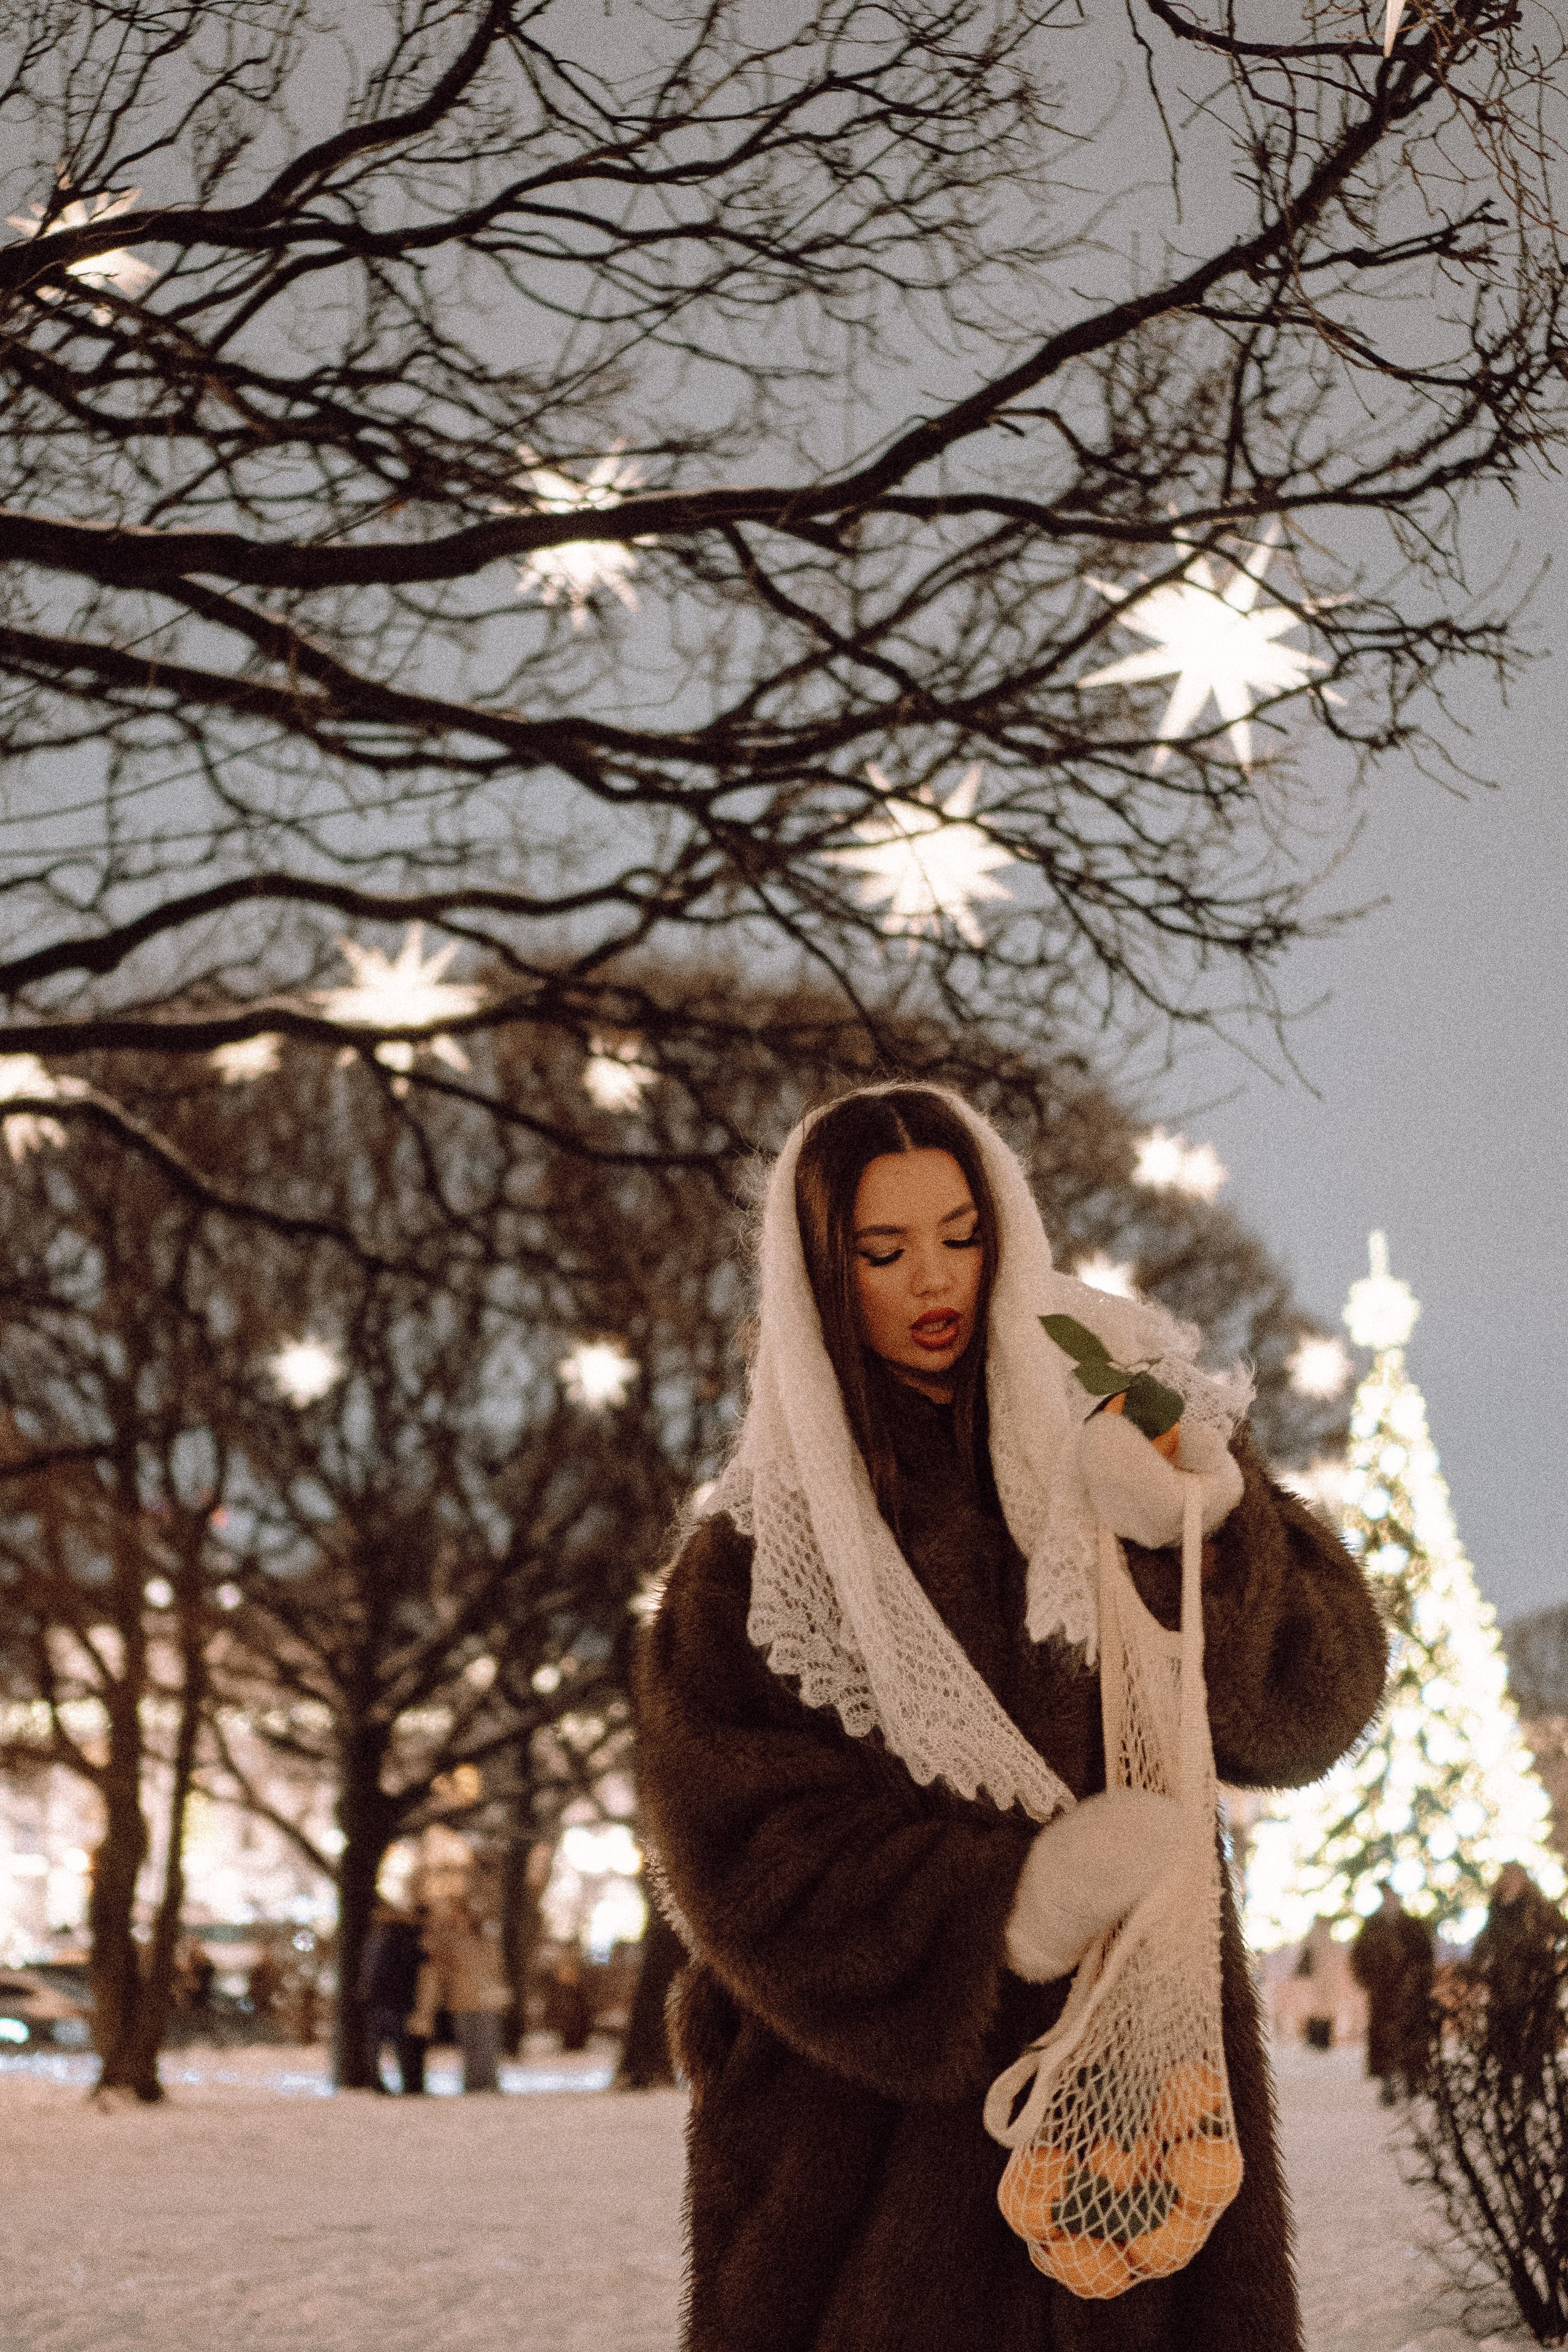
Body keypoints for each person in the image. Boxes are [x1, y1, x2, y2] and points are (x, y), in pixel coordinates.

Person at [633, 1085, 1389, 2352]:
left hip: (1143, 2138)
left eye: (960, 1233)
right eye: (880, 1252)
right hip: (861, 2184)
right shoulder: (751, 1566)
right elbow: (742, 1861)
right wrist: (1012, 1903)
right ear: (822, 1277)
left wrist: (1208, 1528)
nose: (932, 1278)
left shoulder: (1117, 1454)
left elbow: (1305, 1713)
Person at [1467, 1863, 1568, 2067]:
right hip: (1503, 1981)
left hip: (1534, 1980)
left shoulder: (1537, 1907)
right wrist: (1475, 1968)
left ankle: (1531, 2088)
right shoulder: (1497, 1908)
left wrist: (1555, 1954)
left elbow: (1562, 1931)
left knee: (1532, 2039)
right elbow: (1487, 1940)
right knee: (1504, 2038)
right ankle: (1507, 2085)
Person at [412, 1897, 510, 2091]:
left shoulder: (484, 1941)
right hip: (461, 2002)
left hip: (485, 2002)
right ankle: (473, 2085)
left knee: (487, 2046)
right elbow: (431, 1954)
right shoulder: (448, 1942)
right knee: (470, 2047)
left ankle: (489, 2084)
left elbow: (496, 1968)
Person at [1351, 1888, 1434, 2103]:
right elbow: (1359, 1956)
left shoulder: (1412, 1926)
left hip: (1410, 1995)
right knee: (1383, 2040)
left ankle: (1412, 2081)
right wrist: (1369, 1980)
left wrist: (1419, 1983)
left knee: (1411, 2037)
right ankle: (1388, 2086)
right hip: (1383, 1995)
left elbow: (1426, 1958)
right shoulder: (1373, 1927)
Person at [359, 1899, 429, 2094]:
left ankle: (404, 2083)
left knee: (396, 2043)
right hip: (386, 2000)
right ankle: (381, 2082)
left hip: (392, 2000)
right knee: (383, 2044)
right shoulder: (381, 1938)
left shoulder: (397, 1937)